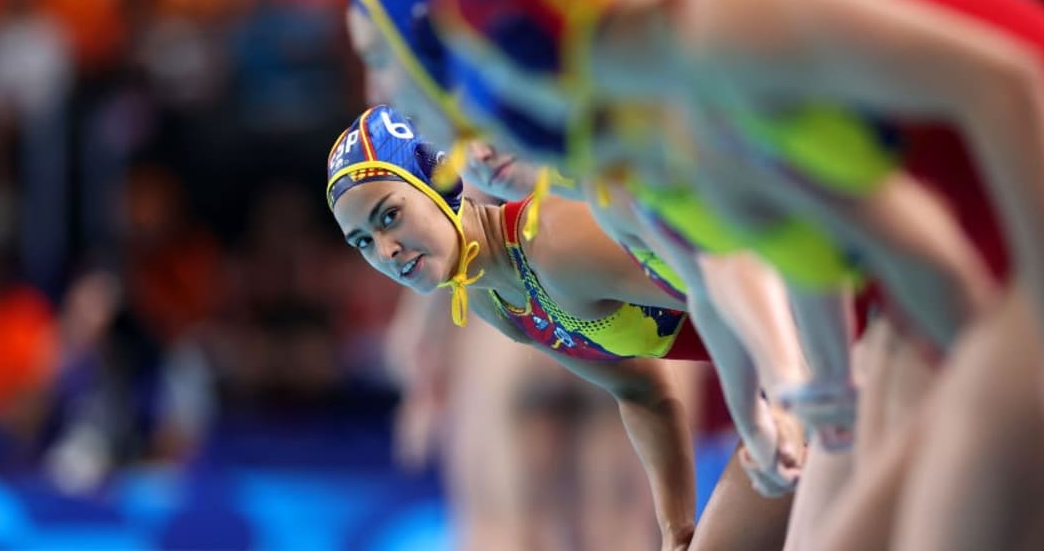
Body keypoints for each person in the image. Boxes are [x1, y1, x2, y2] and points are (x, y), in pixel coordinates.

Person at [427, 0, 1044, 550]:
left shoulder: (721, 18)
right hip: (944, 290)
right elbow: (874, 238)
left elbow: (1005, 86)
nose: (469, 147)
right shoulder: (665, 116)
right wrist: (832, 395)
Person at [328, 104, 805, 550]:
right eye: (363, 242)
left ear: (440, 181)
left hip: (826, 332)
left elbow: (727, 270)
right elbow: (642, 390)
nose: (386, 250)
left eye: (390, 217)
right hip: (803, 367)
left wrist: (786, 392)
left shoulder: (558, 244)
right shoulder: (490, 297)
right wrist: (674, 527)